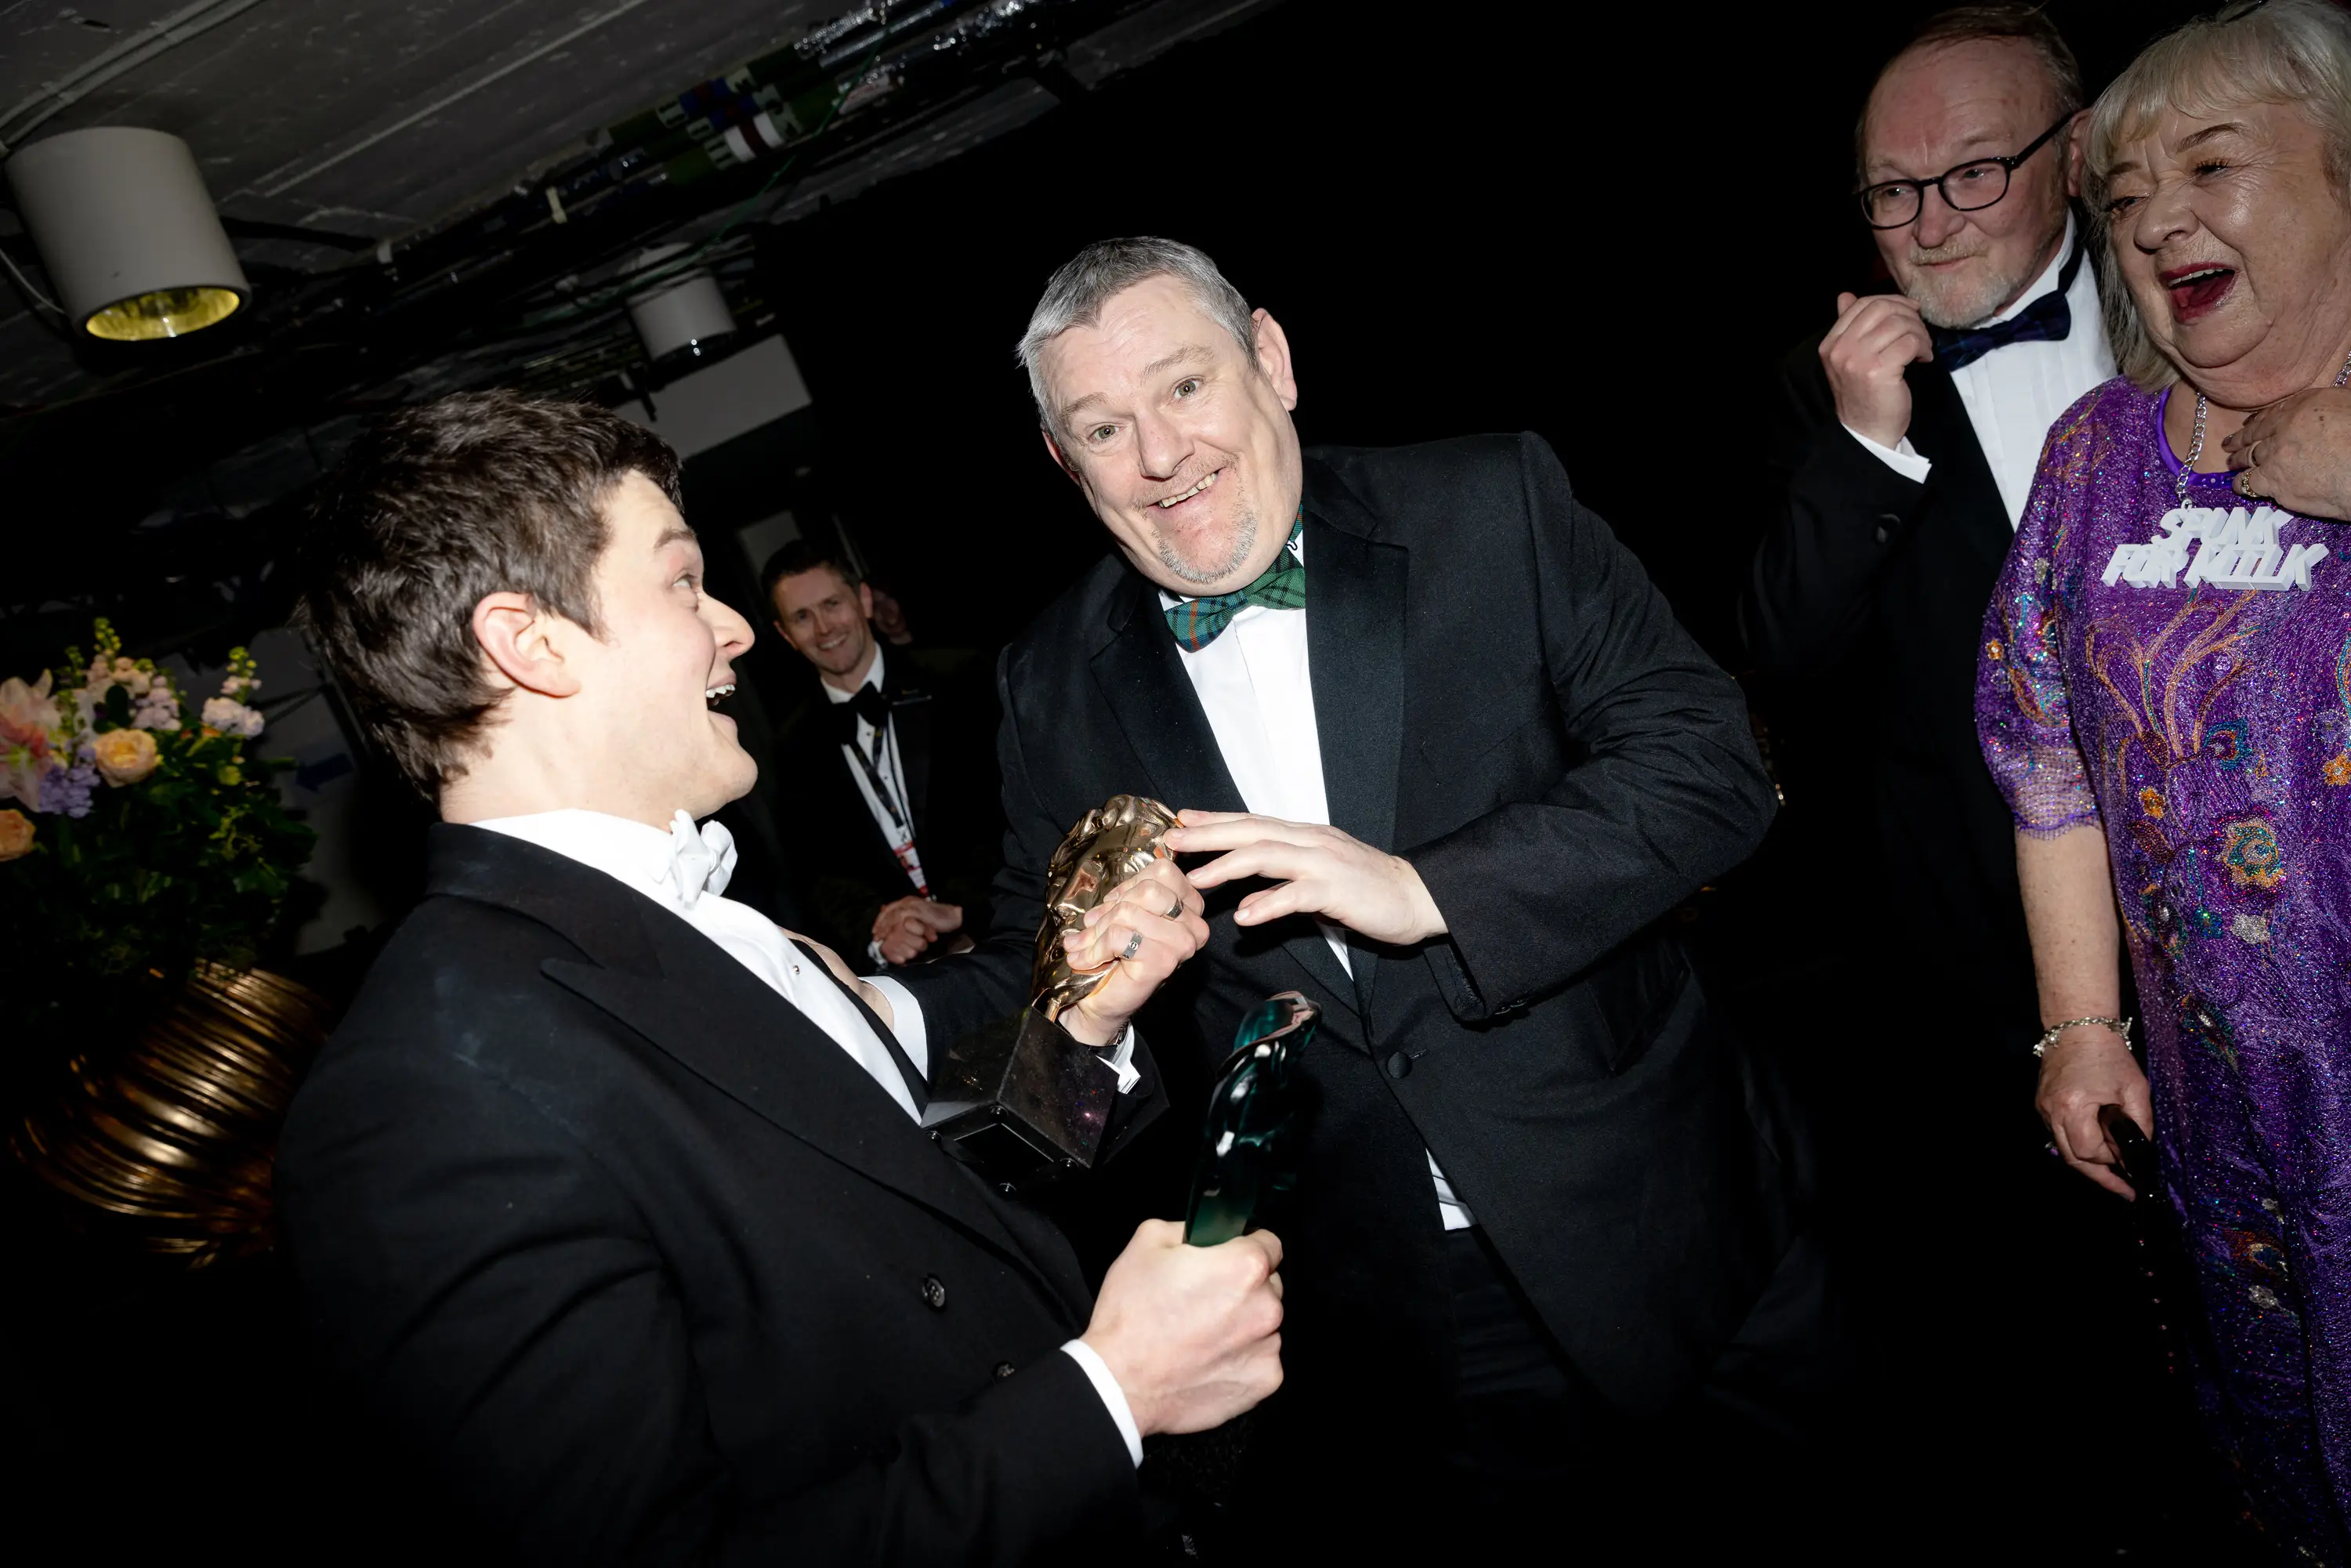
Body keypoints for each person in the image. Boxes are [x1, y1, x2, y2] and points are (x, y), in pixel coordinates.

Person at [890, 238, 1824, 1547]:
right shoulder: (1047, 683)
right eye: (1103, 427)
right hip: (1393, 1331)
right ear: (1064, 459)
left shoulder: (1488, 500)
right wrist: (1065, 1018)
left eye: (1184, 386)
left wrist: (1428, 891)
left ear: (1270, 360)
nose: (1159, 455)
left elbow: (1713, 770)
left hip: (1676, 1227)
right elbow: (1037, 1020)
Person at [277, 390, 1283, 1563]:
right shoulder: (422, 1092)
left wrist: (1084, 1026)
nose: (736, 629)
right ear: (530, 642)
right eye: (681, 582)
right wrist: (1113, 1394)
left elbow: (932, 1211)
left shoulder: (711, 923)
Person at [1976, 2, 2351, 1555]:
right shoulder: (2096, 456)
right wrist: (2079, 1026)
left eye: (2211, 166)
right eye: (2126, 198)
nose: (2154, 223)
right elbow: (2047, 756)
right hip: (2225, 1127)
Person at [1744, 4, 2114, 1106]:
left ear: (2077, 154)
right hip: (1984, 958)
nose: (1932, 225)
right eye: (1894, 190)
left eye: (1975, 174)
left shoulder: (2185, 301)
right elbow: (1783, 655)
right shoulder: (1821, 386)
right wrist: (1868, 443)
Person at [759, 539, 1002, 970]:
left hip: (1008, 930)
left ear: (864, 600)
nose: (823, 629)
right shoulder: (793, 747)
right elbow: (817, 874)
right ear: (785, 634)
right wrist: (877, 930)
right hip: (907, 974)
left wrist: (963, 907)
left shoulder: (963, 680)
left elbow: (1011, 810)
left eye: (832, 604)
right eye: (802, 617)